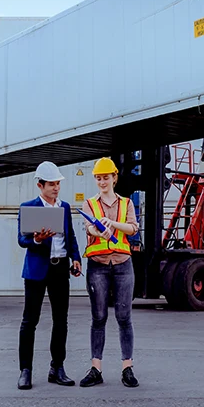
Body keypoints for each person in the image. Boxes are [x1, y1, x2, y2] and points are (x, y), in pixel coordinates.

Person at [17, 161, 82, 390]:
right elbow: (22, 239)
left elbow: (70, 235)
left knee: (61, 320)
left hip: (60, 268)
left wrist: (75, 257)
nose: (56, 188)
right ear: (40, 185)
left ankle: (57, 368)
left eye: (58, 184)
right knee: (30, 321)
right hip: (36, 270)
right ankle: (25, 371)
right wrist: (36, 239)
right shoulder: (29, 207)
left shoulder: (64, 207)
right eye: (52, 184)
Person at [79, 157, 140, 388]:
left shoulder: (126, 203)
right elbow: (89, 228)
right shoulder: (89, 204)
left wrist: (112, 225)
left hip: (123, 264)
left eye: (105, 177)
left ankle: (127, 368)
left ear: (114, 177)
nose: (102, 182)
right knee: (98, 317)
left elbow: (133, 228)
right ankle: (96, 369)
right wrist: (99, 230)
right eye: (98, 178)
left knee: (124, 317)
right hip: (98, 265)